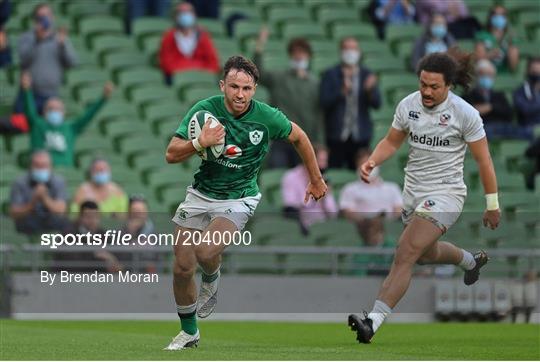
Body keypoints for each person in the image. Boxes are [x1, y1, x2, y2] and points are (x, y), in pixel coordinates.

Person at [163, 55, 327, 350]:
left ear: (255, 89)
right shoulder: (204, 111)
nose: (240, 94)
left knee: (205, 251)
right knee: (181, 267)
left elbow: (300, 136)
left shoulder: (267, 117)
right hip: (201, 194)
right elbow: (171, 154)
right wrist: (200, 142)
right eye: (234, 87)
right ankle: (189, 333)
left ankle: (212, 277)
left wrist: (315, 179)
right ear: (222, 85)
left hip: (239, 198)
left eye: (247, 88)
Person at [347, 50, 500, 344]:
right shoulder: (409, 105)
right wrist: (373, 161)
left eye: (434, 87)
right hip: (413, 193)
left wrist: (492, 204)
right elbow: (392, 141)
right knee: (425, 254)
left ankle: (372, 322)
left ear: (449, 85)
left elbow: (484, 161)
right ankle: (470, 261)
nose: (427, 92)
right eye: (423, 85)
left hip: (446, 193)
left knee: (405, 251)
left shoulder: (465, 114)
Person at [254, 28, 323, 168]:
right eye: (295, 53)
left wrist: (320, 143)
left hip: (304, 141)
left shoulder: (315, 84)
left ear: (308, 56)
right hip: (282, 141)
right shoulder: (280, 78)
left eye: (302, 53)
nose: (298, 56)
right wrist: (259, 46)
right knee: (277, 176)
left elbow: (319, 115)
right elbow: (257, 73)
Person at [21, 72, 113, 167]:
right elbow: (29, 110)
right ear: (44, 112)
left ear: (64, 113)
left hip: (65, 174)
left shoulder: (71, 128)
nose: (54, 112)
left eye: (58, 109)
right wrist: (27, 90)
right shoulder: (37, 124)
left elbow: (88, 116)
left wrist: (103, 99)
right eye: (50, 109)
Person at [320, 37, 381, 170]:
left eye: (353, 48)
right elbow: (323, 102)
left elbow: (377, 104)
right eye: (346, 48)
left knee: (359, 174)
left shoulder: (366, 74)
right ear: (341, 51)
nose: (350, 52)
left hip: (361, 136)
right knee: (334, 173)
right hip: (336, 136)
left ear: (359, 51)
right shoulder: (331, 74)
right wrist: (341, 92)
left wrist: (370, 91)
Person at [16, 2, 78, 114]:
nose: (45, 19)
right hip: (28, 93)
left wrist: (63, 46)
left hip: (51, 96)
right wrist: (37, 40)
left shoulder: (60, 39)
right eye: (41, 16)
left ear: (52, 17)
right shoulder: (27, 37)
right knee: (22, 125)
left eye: (47, 15)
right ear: (35, 19)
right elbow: (23, 60)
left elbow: (72, 63)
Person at [340, 149, 402, 246]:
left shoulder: (392, 188)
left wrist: (381, 221)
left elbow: (398, 211)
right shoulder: (349, 189)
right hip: (361, 231)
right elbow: (348, 212)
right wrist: (369, 222)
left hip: (387, 230)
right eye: (363, 164)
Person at [158, 1, 220, 85]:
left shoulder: (203, 36)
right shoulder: (169, 37)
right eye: (182, 12)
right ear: (176, 16)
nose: (186, 15)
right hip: (177, 80)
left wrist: (199, 72)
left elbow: (213, 62)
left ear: (194, 15)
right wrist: (192, 69)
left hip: (202, 79)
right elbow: (166, 64)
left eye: (189, 11)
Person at [281, 144, 338, 235]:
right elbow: (290, 208)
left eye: (325, 161)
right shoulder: (291, 177)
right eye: (321, 161)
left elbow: (333, 214)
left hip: (323, 227)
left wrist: (325, 198)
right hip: (300, 227)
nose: (324, 165)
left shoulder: (324, 180)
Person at [9, 150, 69, 235]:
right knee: (25, 223)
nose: (40, 169)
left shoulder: (59, 181)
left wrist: (45, 198)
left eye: (44, 165)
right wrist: (33, 202)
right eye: (37, 165)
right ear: (30, 166)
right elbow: (14, 213)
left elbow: (61, 210)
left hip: (50, 218)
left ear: (50, 167)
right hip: (29, 219)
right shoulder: (19, 182)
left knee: (66, 223)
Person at [54, 200, 124, 272]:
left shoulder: (104, 235)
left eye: (96, 217)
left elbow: (119, 266)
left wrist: (110, 258)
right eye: (88, 217)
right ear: (80, 217)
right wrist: (95, 256)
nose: (92, 220)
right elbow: (71, 264)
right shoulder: (68, 235)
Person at [463, 60, 516, 140]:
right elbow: (467, 115)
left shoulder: (499, 95)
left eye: (489, 75)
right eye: (482, 74)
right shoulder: (468, 96)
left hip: (501, 127)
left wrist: (490, 107)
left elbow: (509, 113)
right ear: (476, 76)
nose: (486, 77)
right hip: (483, 129)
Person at [475, 5, 519, 73]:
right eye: (495, 14)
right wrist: (490, 55)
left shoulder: (510, 37)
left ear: (506, 18)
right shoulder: (482, 35)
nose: (499, 17)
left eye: (502, 15)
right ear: (490, 17)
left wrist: (510, 48)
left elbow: (513, 66)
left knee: (514, 49)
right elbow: (478, 59)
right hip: (486, 71)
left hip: (505, 70)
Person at [415, 0, 479, 39]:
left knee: (471, 21)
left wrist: (454, 10)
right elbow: (438, 8)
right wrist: (451, 9)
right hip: (431, 28)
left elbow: (464, 12)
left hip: (451, 24)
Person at [513, 57, 540, 128]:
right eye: (534, 72)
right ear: (527, 71)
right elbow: (525, 110)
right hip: (528, 128)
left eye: (538, 73)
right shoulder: (519, 91)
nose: (537, 76)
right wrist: (536, 92)